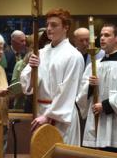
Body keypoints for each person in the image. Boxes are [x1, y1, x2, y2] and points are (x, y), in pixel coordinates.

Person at [20, 8, 84, 145]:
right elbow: (27, 87)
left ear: (66, 27)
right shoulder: (41, 52)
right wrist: (32, 69)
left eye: (54, 25)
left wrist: (48, 116)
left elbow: (68, 90)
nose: (48, 29)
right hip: (40, 113)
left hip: (61, 117)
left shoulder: (73, 56)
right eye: (48, 24)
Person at [76, 24, 117, 152]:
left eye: (107, 35)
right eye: (101, 35)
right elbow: (80, 95)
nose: (102, 38)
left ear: (116, 38)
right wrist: (89, 87)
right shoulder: (94, 65)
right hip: (96, 122)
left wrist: (106, 105)